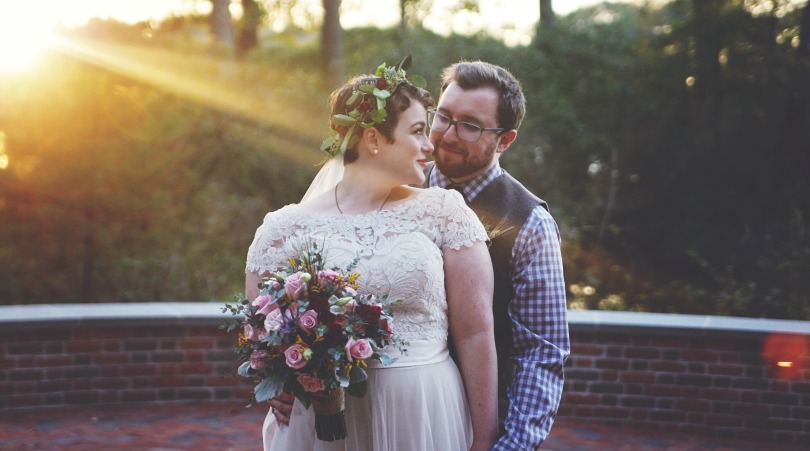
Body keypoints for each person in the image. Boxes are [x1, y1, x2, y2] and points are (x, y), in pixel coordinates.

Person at [246, 60, 499, 451]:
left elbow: (477, 332)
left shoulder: (445, 212)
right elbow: (264, 338)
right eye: (417, 131)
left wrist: (484, 439)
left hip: (423, 413)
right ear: (373, 139)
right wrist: (283, 378)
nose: (430, 145)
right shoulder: (283, 230)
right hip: (324, 423)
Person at [424, 60, 570, 449]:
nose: (448, 135)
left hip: (473, 429)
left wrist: (512, 446)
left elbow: (541, 353)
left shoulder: (531, 225)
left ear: (505, 140)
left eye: (470, 125)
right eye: (442, 116)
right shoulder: (394, 187)